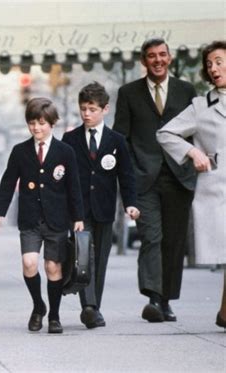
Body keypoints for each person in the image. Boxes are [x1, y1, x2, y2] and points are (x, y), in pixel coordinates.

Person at [113, 38, 197, 323]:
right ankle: (153, 298)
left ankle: (166, 301)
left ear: (170, 58)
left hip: (180, 176)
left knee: (174, 242)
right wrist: (124, 176)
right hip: (143, 178)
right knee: (152, 237)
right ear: (143, 61)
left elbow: (197, 132)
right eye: (152, 56)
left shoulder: (187, 91)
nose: (158, 60)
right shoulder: (128, 93)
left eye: (162, 55)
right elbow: (120, 137)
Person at [0, 97, 84, 334]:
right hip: (30, 219)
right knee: (29, 263)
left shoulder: (65, 152)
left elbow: (74, 186)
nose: (36, 128)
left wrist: (78, 217)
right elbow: (8, 182)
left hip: (57, 220)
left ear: (52, 123)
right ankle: (38, 306)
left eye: (42, 122)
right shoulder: (20, 151)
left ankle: (54, 315)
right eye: (32, 123)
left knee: (53, 267)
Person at [157, 40, 226, 329]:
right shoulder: (201, 106)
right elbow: (165, 133)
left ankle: (224, 312)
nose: (213, 68)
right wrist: (193, 152)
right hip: (217, 190)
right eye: (210, 64)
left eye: (219, 61)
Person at [62, 82, 139, 329]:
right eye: (83, 108)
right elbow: (65, 176)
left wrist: (131, 204)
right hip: (79, 211)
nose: (86, 114)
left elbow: (126, 175)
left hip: (105, 209)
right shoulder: (70, 139)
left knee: (100, 259)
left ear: (105, 109)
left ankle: (95, 306)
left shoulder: (116, 141)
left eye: (92, 109)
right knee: (84, 257)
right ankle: (89, 307)